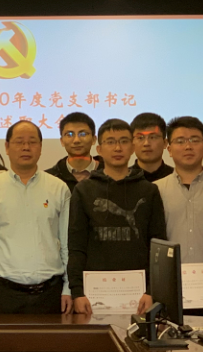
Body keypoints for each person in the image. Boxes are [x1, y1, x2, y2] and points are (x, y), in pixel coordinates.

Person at [69, 119, 166, 315]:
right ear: (99, 149)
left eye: (123, 141)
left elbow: (158, 244)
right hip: (94, 293)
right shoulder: (83, 190)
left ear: (132, 147)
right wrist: (77, 292)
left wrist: (151, 290)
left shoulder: (149, 190)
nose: (117, 148)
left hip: (139, 295)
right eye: (110, 142)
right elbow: (76, 246)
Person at [0, 121, 72, 315]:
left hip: (51, 294)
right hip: (4, 294)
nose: (26, 147)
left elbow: (67, 243)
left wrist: (68, 288)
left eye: (32, 142)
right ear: (7, 147)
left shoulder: (59, 188)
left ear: (41, 147)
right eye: (19, 141)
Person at [155, 116, 203, 315]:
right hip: (168, 288)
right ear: (169, 149)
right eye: (180, 141)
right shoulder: (155, 191)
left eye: (194, 140)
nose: (188, 146)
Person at [46, 112, 102, 192]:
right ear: (62, 141)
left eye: (83, 134)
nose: (76, 140)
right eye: (69, 134)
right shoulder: (50, 178)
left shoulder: (108, 174)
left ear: (94, 139)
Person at [130, 113, 174, 183]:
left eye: (153, 137)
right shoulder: (122, 179)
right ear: (132, 143)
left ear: (165, 143)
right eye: (140, 138)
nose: (146, 143)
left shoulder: (177, 178)